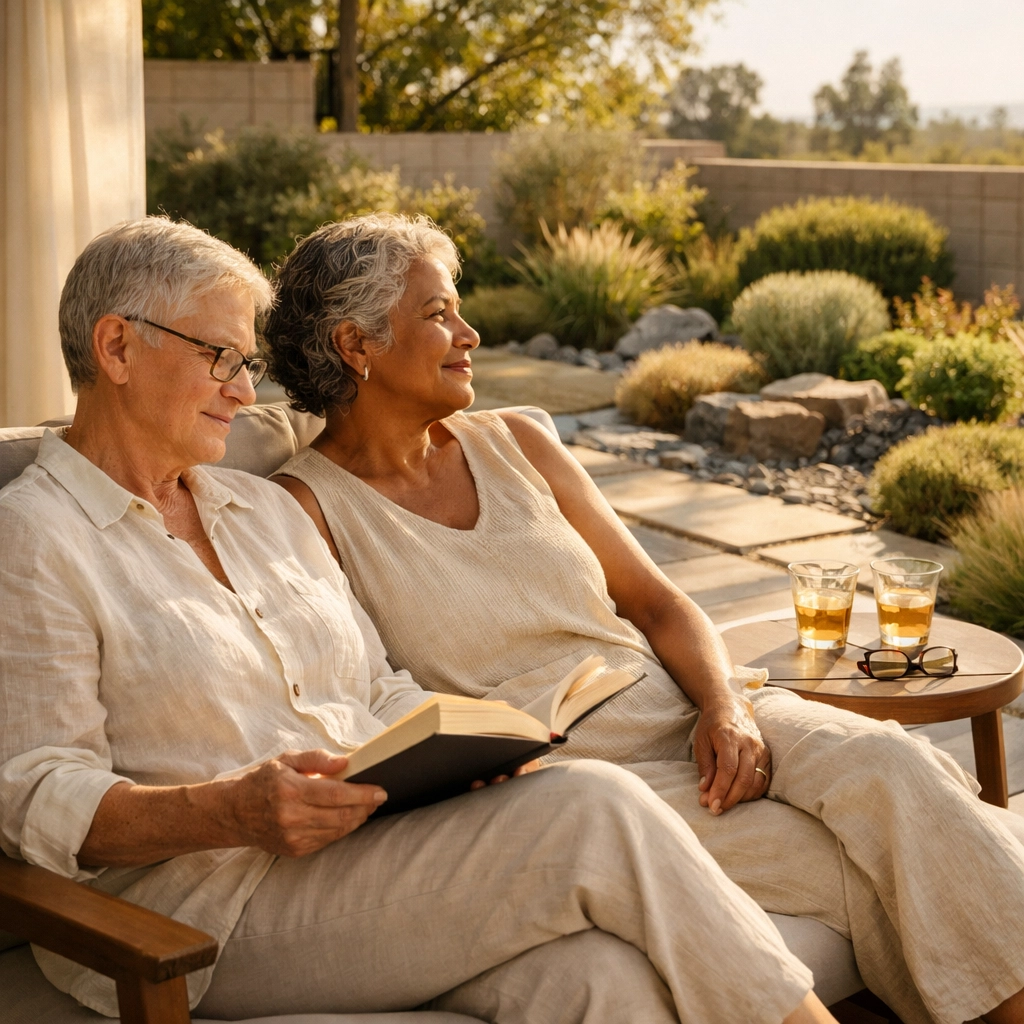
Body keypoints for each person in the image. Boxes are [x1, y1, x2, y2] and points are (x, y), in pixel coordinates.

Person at [0, 216, 839, 1024]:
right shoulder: (35, 539)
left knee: (596, 979)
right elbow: (36, 792)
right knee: (593, 809)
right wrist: (231, 810)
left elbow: (376, 686)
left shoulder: (263, 511)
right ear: (116, 347)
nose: (244, 389)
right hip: (210, 905)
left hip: (372, 849)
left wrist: (485, 748)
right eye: (220, 356)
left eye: (247, 362)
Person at [268, 212, 1024, 1024]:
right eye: (438, 314)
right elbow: (354, 700)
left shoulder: (516, 440)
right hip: (574, 779)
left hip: (682, 704)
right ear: (356, 346)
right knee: (841, 861)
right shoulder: (304, 509)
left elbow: (660, 602)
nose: (470, 332)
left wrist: (724, 706)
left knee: (896, 765)